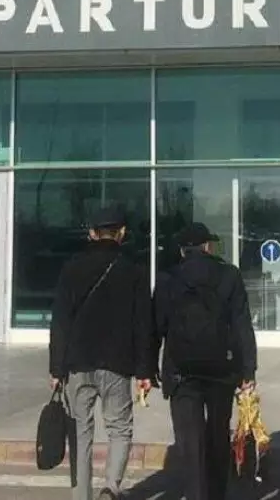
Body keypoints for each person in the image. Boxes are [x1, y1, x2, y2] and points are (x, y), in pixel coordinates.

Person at [49, 207, 155, 500]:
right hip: (117, 363)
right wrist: (145, 371)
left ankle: (81, 495)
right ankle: (111, 487)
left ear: (92, 234)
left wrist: (56, 368)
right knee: (119, 428)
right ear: (122, 233)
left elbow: (60, 321)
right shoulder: (134, 270)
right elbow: (143, 324)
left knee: (80, 432)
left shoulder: (72, 268)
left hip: (78, 363)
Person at [153, 223, 258, 500]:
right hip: (222, 370)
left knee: (190, 441)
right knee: (218, 434)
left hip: (181, 372)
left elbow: (156, 326)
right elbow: (242, 325)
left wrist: (148, 367)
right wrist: (248, 370)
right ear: (208, 247)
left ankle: (196, 494)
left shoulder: (167, 279)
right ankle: (217, 492)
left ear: (182, 250)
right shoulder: (229, 275)